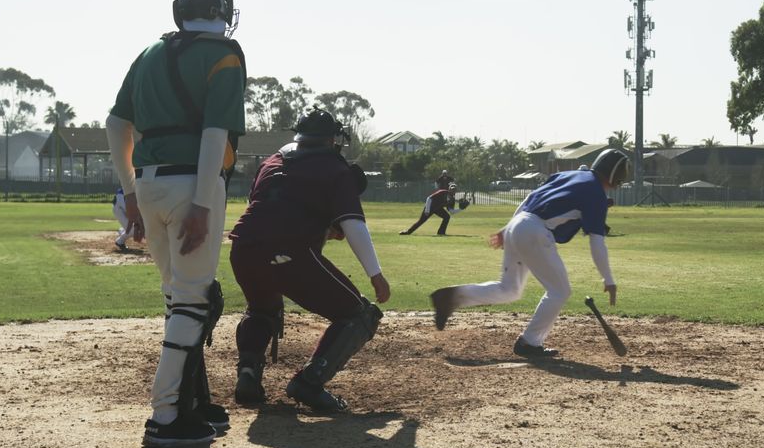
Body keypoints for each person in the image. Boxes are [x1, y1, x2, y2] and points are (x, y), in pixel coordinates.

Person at [105, 0, 246, 447]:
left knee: (178, 300)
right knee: (192, 302)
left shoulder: (148, 53)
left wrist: (128, 192)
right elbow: (214, 133)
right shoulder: (224, 52)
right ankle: (166, 415)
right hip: (195, 182)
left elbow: (116, 123)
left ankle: (191, 402)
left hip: (147, 182)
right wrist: (204, 204)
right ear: (223, 12)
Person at [229, 108, 389, 414]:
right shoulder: (334, 167)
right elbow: (353, 224)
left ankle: (248, 374)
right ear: (332, 139)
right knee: (358, 315)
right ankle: (309, 382)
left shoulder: (271, 162)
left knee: (262, 310)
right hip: (287, 252)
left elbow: (271, 208)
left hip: (243, 248)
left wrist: (319, 228)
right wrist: (375, 274)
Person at [429, 149, 630, 357]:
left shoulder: (570, 175)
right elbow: (597, 242)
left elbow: (531, 197)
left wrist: (507, 228)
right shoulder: (596, 193)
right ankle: (530, 343)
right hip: (536, 230)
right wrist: (608, 279)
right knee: (560, 291)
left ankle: (451, 297)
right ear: (616, 176)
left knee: (509, 289)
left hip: (520, 223)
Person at [399, 183, 467, 236]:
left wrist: (461, 209)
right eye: (452, 189)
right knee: (421, 221)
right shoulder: (442, 192)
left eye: (454, 190)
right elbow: (429, 198)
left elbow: (451, 212)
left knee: (447, 217)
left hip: (438, 209)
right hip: (430, 207)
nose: (453, 191)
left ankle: (441, 232)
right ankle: (408, 232)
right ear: (449, 189)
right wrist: (427, 210)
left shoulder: (452, 200)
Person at [112, 186, 133, 251]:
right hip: (118, 209)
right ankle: (119, 242)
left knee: (133, 229)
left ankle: (121, 231)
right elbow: (131, 217)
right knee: (133, 230)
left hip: (120, 204)